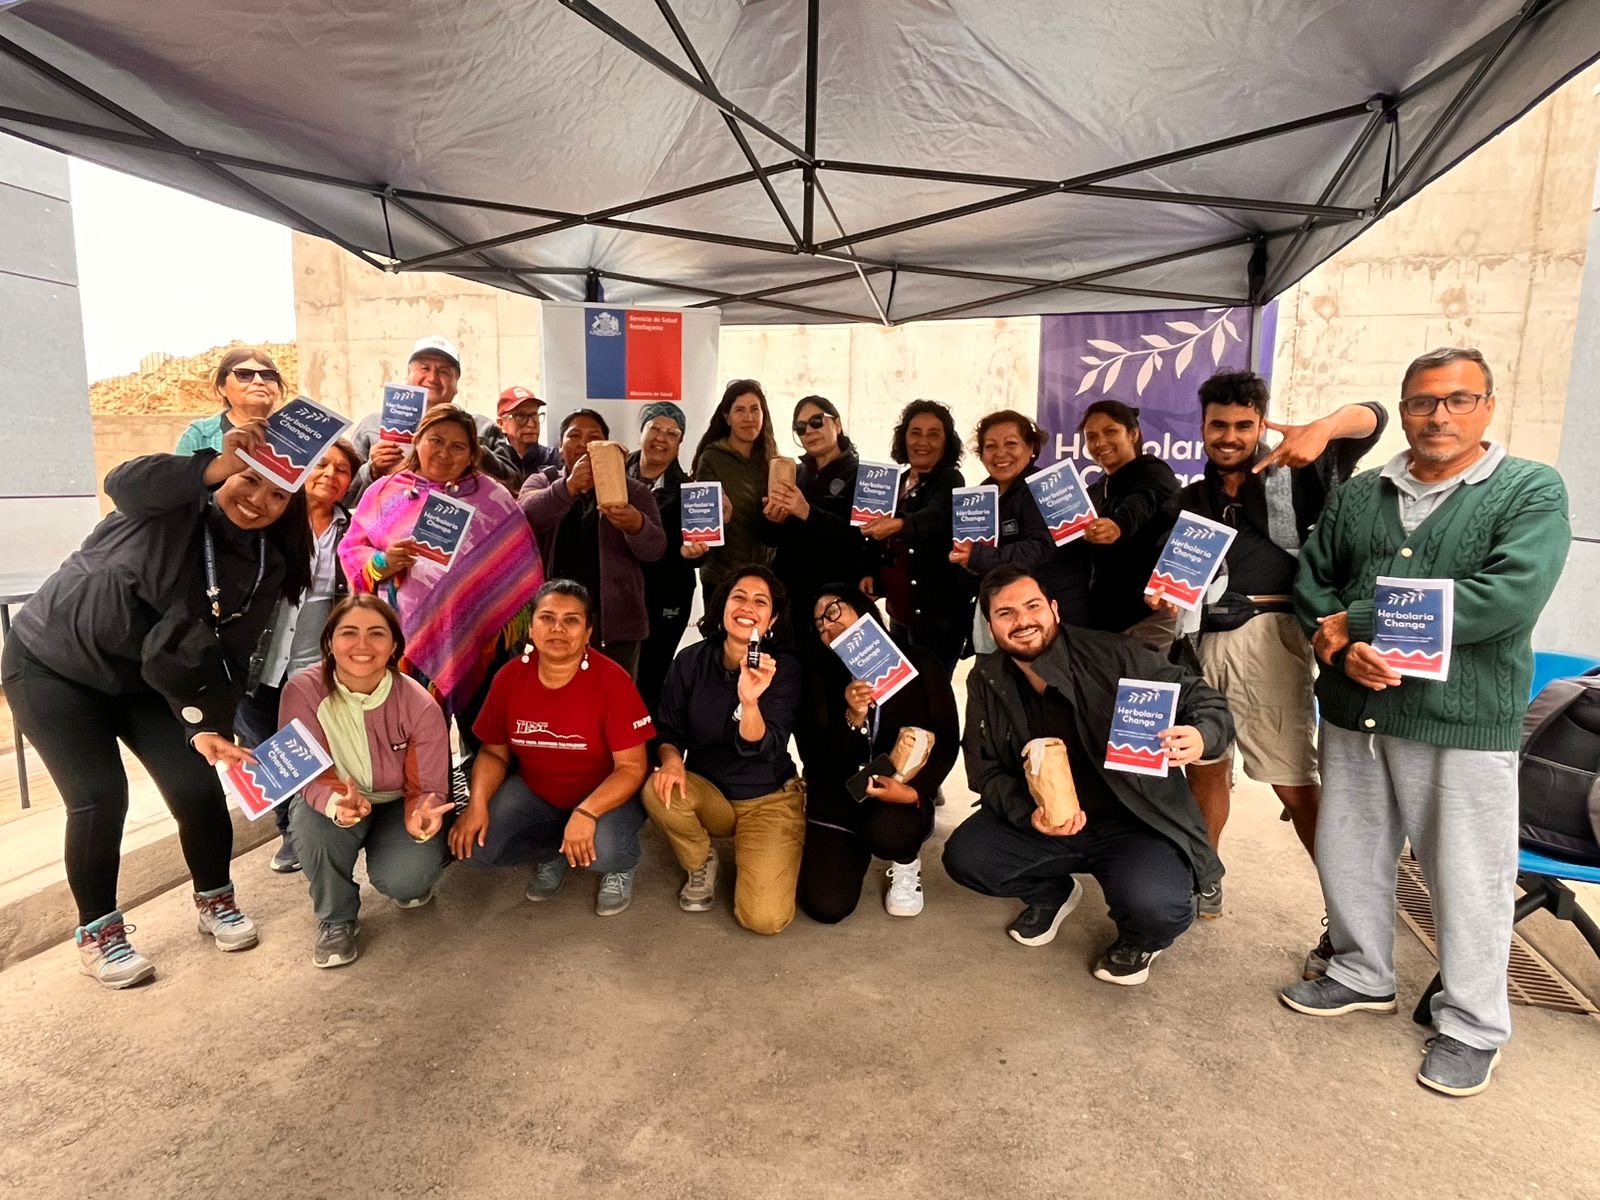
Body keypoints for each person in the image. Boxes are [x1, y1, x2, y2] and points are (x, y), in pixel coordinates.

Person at [1280, 347, 1570, 1098]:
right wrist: (1339, 645)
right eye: (1422, 402)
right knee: (1349, 851)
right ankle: (1360, 971)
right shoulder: (1363, 493)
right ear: (1403, 408)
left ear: (1488, 407)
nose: (1438, 415)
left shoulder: (1528, 489)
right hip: (1356, 709)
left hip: (1459, 721)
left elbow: (1509, 595)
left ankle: (1472, 1024)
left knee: (1469, 875)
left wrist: (1362, 618)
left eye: (1458, 400)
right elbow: (1314, 578)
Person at [1, 427, 312, 988]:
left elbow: (230, 653)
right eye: (249, 480)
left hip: (146, 682)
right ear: (228, 473)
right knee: (99, 798)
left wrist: (210, 725)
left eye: (277, 495)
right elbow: (122, 480)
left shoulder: (267, 561)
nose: (257, 500)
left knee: (195, 786)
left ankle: (216, 898)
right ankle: (98, 932)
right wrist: (212, 466)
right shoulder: (170, 502)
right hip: (52, 666)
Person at [1151, 370, 1385, 944]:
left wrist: (1325, 426)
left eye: (1243, 425)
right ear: (1202, 427)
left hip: (1269, 636)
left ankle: (1348, 921)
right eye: (1218, 425)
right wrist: (1162, 595)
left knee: (1293, 780)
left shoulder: (1298, 472)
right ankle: (1204, 877)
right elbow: (1177, 580)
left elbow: (1374, 417)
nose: (1229, 436)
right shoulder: (1192, 498)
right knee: (1205, 765)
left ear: (1261, 424)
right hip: (1198, 642)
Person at [944, 564, 1229, 986]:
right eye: (1005, 614)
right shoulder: (986, 678)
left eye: (1032, 606)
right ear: (991, 626)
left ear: (1054, 609)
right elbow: (984, 770)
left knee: (1158, 907)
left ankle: (1139, 938)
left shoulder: (1117, 654)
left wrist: (1200, 735)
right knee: (966, 857)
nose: (1022, 621)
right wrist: (1028, 815)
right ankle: (1052, 892)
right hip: (1049, 822)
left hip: (1135, 822)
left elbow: (1202, 700)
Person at [450, 580, 654, 916]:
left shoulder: (612, 680)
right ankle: (553, 851)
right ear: (530, 627)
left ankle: (620, 865)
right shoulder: (510, 677)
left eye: (572, 620)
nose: (558, 628)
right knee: (475, 847)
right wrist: (477, 804)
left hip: (607, 794)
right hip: (538, 790)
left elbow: (633, 768)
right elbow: (493, 752)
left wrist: (586, 813)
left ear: (588, 632)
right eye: (547, 618)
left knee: (603, 852)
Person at [339, 405, 544, 723]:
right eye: (436, 440)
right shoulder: (384, 491)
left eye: (458, 446)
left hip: (476, 637)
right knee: (412, 739)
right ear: (418, 441)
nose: (445, 453)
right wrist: (382, 562)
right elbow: (351, 550)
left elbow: (519, 563)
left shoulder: (493, 497)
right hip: (399, 641)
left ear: (471, 453)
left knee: (483, 734)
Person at [281, 595, 453, 968]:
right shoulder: (302, 692)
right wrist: (336, 803)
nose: (362, 645)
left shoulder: (420, 704)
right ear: (329, 641)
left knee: (408, 881)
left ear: (394, 646)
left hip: (397, 801)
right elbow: (304, 773)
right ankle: (336, 919)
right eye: (348, 633)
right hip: (334, 798)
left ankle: (407, 858)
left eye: (377, 634)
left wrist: (422, 816)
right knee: (313, 828)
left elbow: (426, 787)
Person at [641, 567, 805, 935]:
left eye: (760, 601)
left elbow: (763, 747)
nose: (748, 606)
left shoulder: (785, 669)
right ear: (722, 606)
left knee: (764, 920)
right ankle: (701, 860)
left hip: (767, 799)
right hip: (709, 792)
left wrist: (749, 701)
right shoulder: (691, 660)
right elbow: (667, 728)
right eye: (739, 597)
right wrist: (670, 762)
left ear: (773, 618)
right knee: (658, 788)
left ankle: (779, 845)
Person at [798, 584, 959, 923]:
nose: (827, 625)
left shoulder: (922, 663)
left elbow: (946, 741)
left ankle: (904, 861)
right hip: (841, 794)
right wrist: (853, 716)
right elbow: (816, 757)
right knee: (826, 906)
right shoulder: (818, 677)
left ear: (862, 607)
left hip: (900, 791)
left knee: (888, 833)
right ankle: (849, 846)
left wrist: (916, 791)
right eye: (819, 625)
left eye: (833, 611)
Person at [235, 440, 361, 874]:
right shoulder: (271, 518)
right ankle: (289, 831)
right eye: (321, 464)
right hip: (259, 661)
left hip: (314, 664)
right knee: (265, 748)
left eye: (342, 469)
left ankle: (312, 826)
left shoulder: (353, 528)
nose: (330, 474)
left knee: (311, 749)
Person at [519, 408, 666, 677]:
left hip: (615, 627)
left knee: (613, 706)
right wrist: (569, 486)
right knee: (554, 703)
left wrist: (636, 525)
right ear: (560, 446)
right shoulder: (543, 481)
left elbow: (655, 550)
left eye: (594, 437)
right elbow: (525, 520)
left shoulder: (633, 490)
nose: (584, 444)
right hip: (553, 619)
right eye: (574, 435)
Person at [861, 399, 971, 679]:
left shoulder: (950, 479)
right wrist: (872, 573)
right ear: (904, 437)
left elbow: (936, 516)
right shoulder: (895, 481)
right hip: (899, 612)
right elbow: (879, 539)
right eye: (915, 432)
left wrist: (899, 524)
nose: (923, 441)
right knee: (904, 693)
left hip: (937, 618)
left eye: (933, 434)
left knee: (932, 696)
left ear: (947, 442)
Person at [345, 335, 518, 501]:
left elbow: (515, 485)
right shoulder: (372, 426)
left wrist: (474, 452)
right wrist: (371, 471)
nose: (433, 378)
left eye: (443, 371)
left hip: (456, 524)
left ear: (456, 384)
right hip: (386, 527)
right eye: (424, 368)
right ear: (408, 375)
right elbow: (341, 498)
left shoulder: (482, 427)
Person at [761, 394, 867, 640]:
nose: (809, 431)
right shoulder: (794, 473)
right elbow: (769, 538)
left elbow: (857, 539)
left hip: (835, 599)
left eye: (817, 421)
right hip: (789, 595)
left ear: (837, 424)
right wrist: (771, 520)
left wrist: (807, 511)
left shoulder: (862, 477)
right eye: (801, 427)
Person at [1076, 400, 1181, 646]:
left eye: (1110, 431)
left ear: (1133, 434)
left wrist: (1117, 526)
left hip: (1150, 616)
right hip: (1104, 623)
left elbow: (1142, 501)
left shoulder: (1153, 471)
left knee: (1143, 684)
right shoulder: (1095, 490)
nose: (1100, 443)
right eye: (1091, 437)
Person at [948, 411, 1054, 651]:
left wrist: (977, 556)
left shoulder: (1044, 488)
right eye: (991, 446)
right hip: (996, 614)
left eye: (1011, 444)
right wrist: (962, 559)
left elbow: (1041, 548)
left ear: (1031, 448)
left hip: (1039, 620)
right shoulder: (979, 497)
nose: (1000, 453)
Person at [627, 401, 698, 713]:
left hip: (667, 596)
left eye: (673, 433)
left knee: (653, 677)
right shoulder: (609, 475)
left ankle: (652, 753)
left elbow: (702, 555)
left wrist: (693, 554)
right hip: (617, 594)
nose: (662, 437)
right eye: (655, 428)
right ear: (641, 432)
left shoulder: (690, 491)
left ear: (680, 444)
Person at [686, 379, 777, 607]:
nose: (749, 418)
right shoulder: (712, 459)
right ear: (727, 417)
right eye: (740, 410)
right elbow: (702, 523)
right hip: (722, 580)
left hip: (764, 579)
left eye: (755, 409)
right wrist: (721, 520)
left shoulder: (772, 460)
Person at [174, 347, 286, 454]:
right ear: (222, 388)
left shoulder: (298, 435)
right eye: (244, 375)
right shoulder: (199, 436)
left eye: (268, 375)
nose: (259, 381)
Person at [497, 385, 561, 480]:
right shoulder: (496, 462)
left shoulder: (554, 458)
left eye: (534, 415)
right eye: (521, 416)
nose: (531, 424)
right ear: (501, 423)